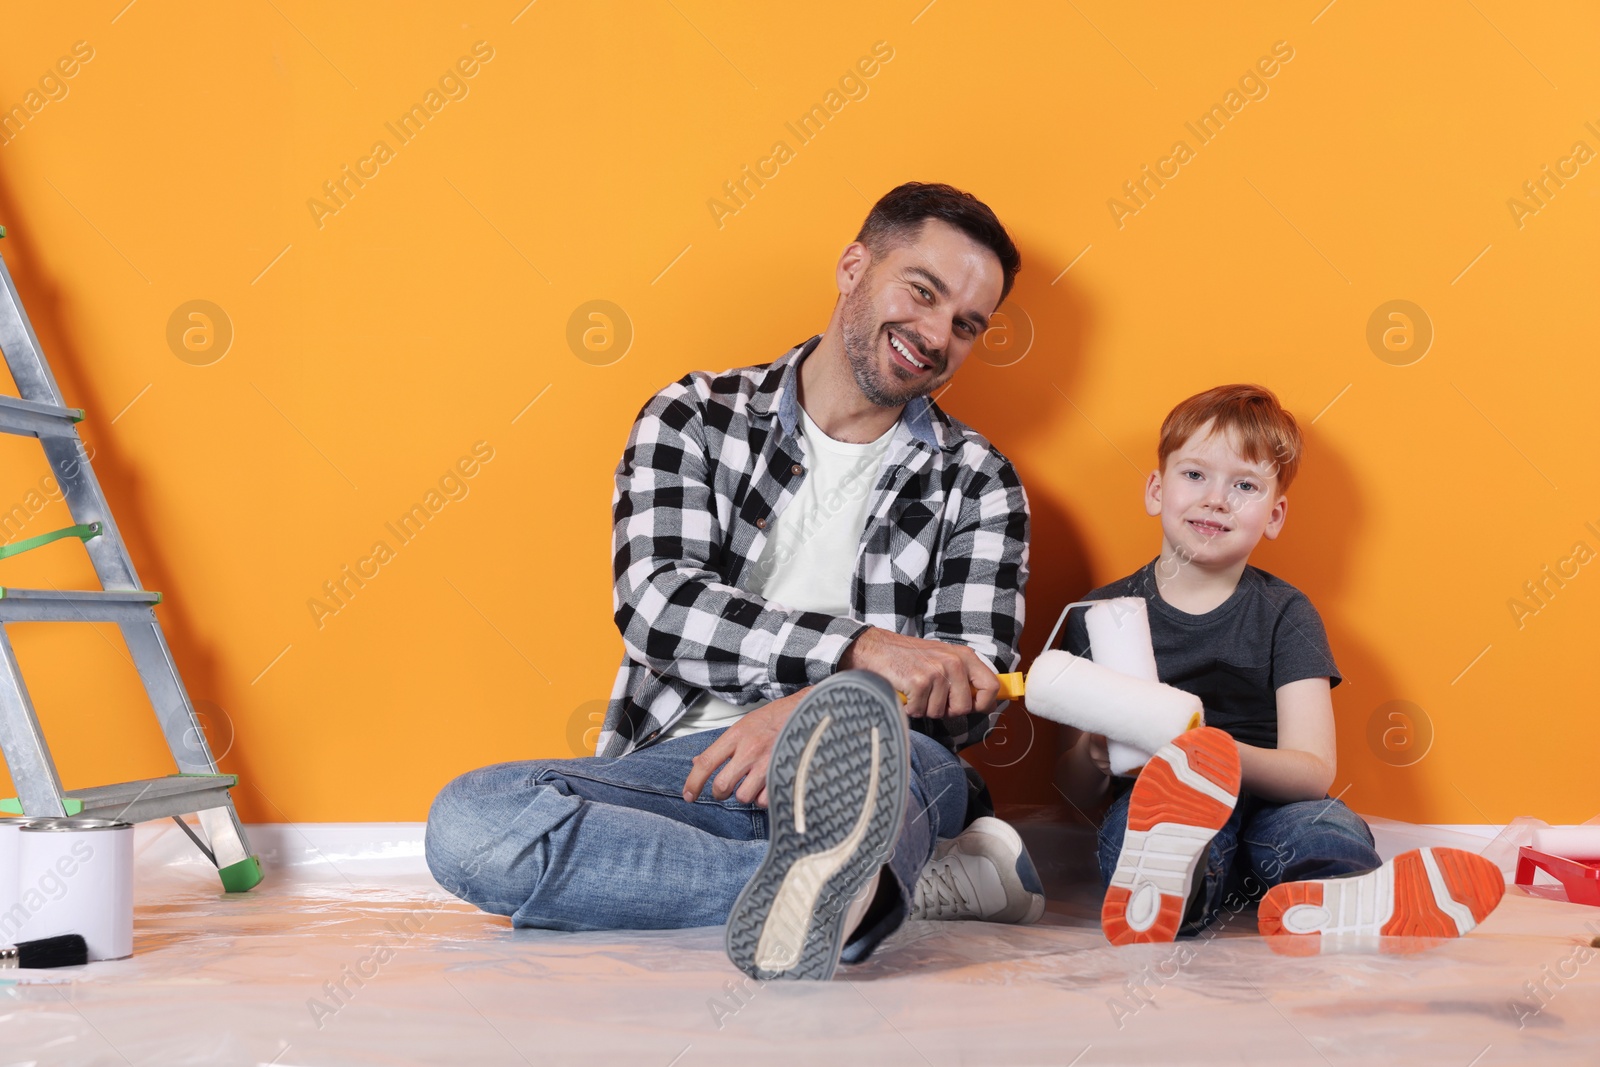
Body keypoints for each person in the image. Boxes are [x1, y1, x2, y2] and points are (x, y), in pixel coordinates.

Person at [425, 182, 1045, 981]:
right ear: (854, 266)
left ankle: (837, 871)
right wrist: (860, 652)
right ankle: (872, 887)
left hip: (880, 770)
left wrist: (809, 715)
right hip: (690, 766)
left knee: (923, 766)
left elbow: (965, 691)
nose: (935, 335)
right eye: (921, 291)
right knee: (470, 825)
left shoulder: (980, 480)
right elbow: (658, 605)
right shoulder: (695, 415)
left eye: (966, 325)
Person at [1054, 384, 1503, 948]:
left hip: (1275, 806)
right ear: (1155, 489)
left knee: (1325, 829)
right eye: (1195, 475)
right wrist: (1094, 753)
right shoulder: (1102, 615)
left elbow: (1312, 771)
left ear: (1274, 514)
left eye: (1245, 485)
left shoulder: (1285, 613)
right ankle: (1176, 901)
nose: (1217, 499)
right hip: (1167, 813)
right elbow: (1072, 789)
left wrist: (1205, 754)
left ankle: (1344, 899)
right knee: (1135, 836)